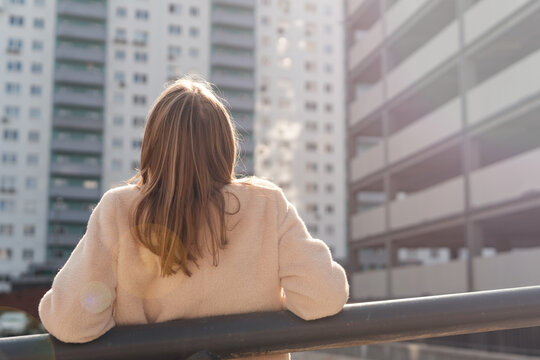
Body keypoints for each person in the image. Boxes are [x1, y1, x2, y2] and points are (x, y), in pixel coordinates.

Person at [38, 77, 349, 360]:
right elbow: (323, 297)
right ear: (226, 144)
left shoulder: (119, 210)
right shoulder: (265, 204)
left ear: (153, 145)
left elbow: (70, 323)